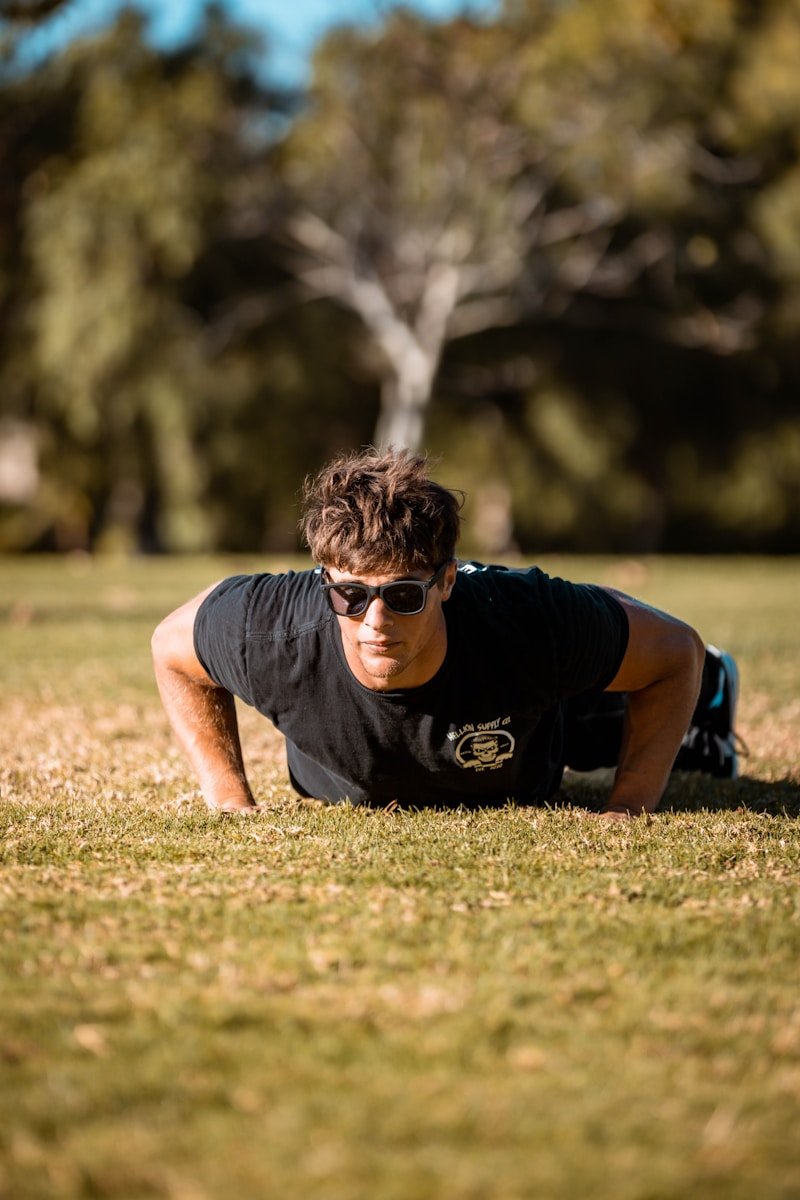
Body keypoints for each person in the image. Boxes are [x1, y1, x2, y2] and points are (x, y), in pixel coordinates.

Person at [151, 448, 741, 821]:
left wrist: (628, 806)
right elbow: (171, 647)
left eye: (403, 597)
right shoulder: (274, 627)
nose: (374, 623)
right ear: (324, 580)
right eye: (350, 596)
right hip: (344, 779)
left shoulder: (525, 620)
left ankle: (711, 702)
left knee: (601, 720)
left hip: (531, 738)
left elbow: (674, 651)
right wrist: (229, 799)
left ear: (446, 582)